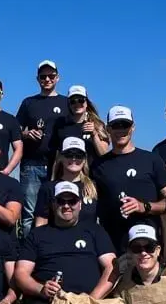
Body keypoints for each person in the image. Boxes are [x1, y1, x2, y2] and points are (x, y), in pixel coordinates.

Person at [91, 105, 166, 254]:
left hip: (147, 248)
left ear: (133, 127)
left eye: (125, 125)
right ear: (108, 129)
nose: (121, 130)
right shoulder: (98, 165)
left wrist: (144, 206)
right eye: (115, 125)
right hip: (112, 247)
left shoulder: (151, 159)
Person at [15, 60, 70, 237]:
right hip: (31, 164)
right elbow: (15, 130)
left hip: (59, 165)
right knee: (29, 214)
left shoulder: (66, 102)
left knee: (58, 209)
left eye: (51, 76)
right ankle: (29, 254)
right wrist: (27, 133)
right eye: (43, 76)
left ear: (58, 77)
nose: (47, 79)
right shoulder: (29, 103)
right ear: (37, 79)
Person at [33, 137, 98, 227]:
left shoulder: (94, 187)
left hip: (87, 240)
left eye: (79, 155)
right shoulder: (48, 188)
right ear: (61, 157)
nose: (74, 159)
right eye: (69, 154)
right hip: (57, 240)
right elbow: (40, 224)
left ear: (84, 159)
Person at [50, 85, 110, 164]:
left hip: (93, 174)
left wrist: (94, 135)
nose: (77, 104)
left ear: (86, 103)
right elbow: (55, 154)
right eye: (73, 101)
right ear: (69, 104)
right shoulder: (61, 125)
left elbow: (104, 155)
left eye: (81, 100)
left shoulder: (98, 124)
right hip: (69, 174)